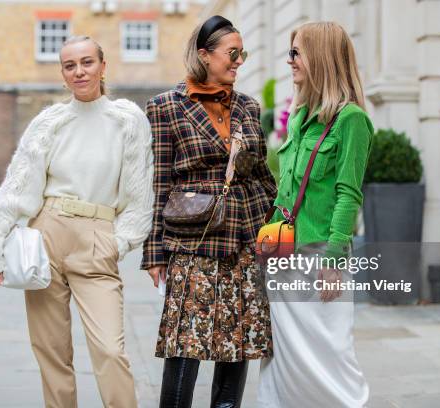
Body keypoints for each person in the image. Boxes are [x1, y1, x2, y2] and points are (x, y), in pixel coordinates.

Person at [0, 36, 154, 408]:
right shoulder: (50, 121)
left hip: (97, 238)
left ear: (103, 67)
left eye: (87, 62)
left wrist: (118, 243)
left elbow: (138, 194)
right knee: (51, 352)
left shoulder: (128, 120)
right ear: (63, 74)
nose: (79, 71)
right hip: (47, 236)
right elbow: (19, 185)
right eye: (70, 65)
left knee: (109, 349)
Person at [142, 15, 277, 408]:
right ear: (204, 54)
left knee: (236, 345)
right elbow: (159, 182)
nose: (239, 62)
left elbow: (264, 178)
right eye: (232, 54)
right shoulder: (166, 106)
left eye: (242, 54)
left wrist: (278, 230)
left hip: (245, 241)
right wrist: (155, 253)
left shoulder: (248, 107)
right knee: (185, 345)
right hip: (192, 244)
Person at [257, 21, 374, 407]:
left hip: (321, 253)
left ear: (320, 58)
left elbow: (348, 194)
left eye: (297, 53)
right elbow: (286, 189)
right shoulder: (299, 114)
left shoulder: (352, 120)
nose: (289, 61)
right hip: (283, 254)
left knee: (331, 353)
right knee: (283, 356)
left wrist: (335, 258)